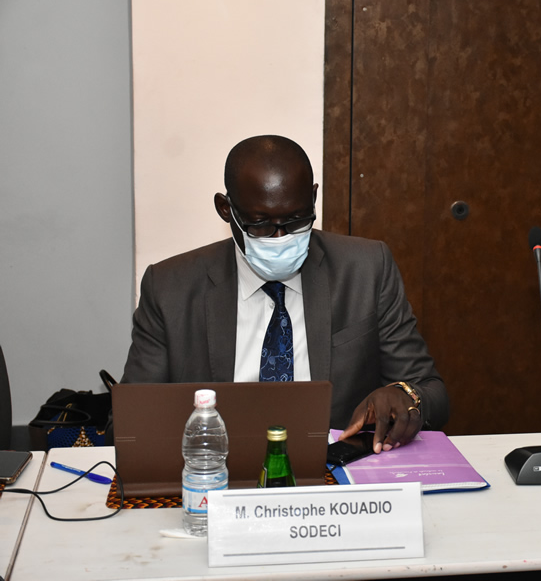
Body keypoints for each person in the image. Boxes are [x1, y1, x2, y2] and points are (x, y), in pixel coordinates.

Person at [123, 135, 449, 452]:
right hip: (216, 469)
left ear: (313, 199)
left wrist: (405, 396)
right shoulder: (170, 288)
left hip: (333, 467)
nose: (281, 238)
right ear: (226, 209)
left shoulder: (366, 269)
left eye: (296, 220)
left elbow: (432, 392)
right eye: (261, 223)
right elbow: (129, 422)